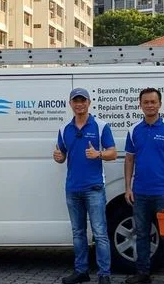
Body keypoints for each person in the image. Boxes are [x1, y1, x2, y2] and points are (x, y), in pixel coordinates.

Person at [53, 88, 117, 284]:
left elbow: (113, 153)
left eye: (82, 101)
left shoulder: (100, 126)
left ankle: (104, 274)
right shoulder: (65, 129)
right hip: (72, 189)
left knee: (100, 232)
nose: (79, 104)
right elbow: (61, 155)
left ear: (89, 102)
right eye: (75, 101)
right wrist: (58, 157)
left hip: (94, 188)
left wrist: (98, 154)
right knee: (78, 233)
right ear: (70, 104)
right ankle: (81, 272)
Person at [124, 88, 164, 284]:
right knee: (141, 234)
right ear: (140, 105)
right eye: (146, 102)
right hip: (140, 192)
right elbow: (129, 160)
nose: (150, 105)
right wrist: (128, 187)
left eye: (153, 102)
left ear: (160, 104)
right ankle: (143, 274)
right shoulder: (133, 130)